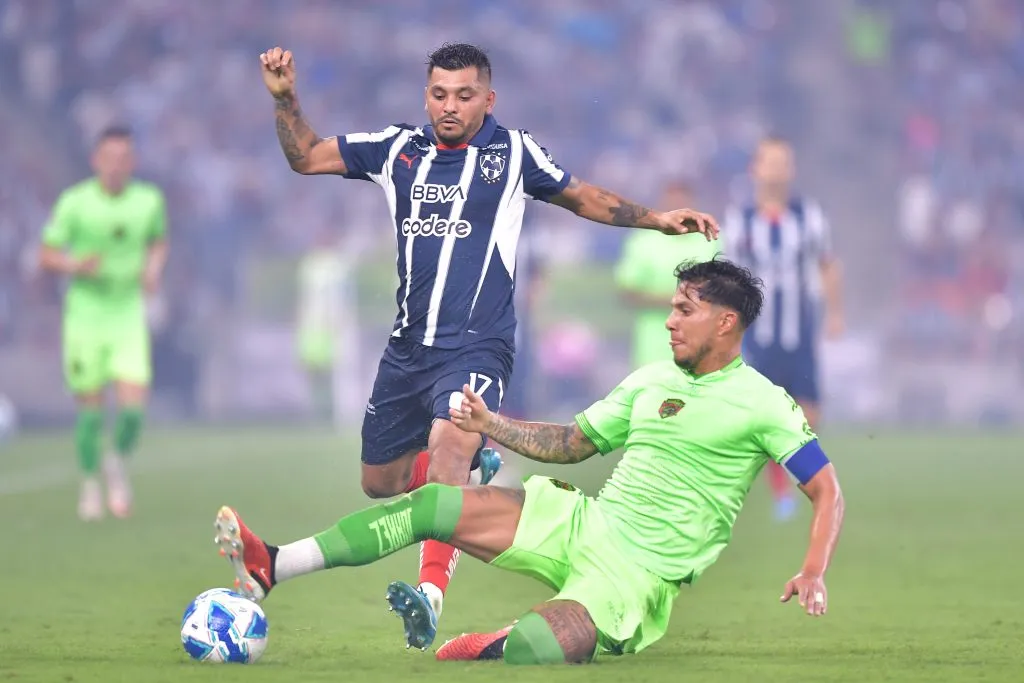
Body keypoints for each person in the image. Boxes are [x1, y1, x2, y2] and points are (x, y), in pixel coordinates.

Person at [257, 40, 718, 648]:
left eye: (465, 95)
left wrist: (655, 219)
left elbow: (581, 195)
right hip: (407, 349)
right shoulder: (398, 149)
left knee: (449, 446)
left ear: (488, 98)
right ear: (427, 96)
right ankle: (482, 467)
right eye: (440, 94)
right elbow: (307, 157)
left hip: (477, 345)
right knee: (381, 482)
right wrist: (287, 98)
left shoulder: (511, 152)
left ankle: (429, 595)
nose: (450, 106)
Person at [212, 258, 844, 664]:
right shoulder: (651, 378)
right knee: (433, 502)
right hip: (584, 524)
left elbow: (826, 491)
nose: (671, 319)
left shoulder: (766, 403)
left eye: (685, 309)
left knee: (537, 649)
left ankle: (499, 641)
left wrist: (812, 570)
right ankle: (274, 563)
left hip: (635, 578)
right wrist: (493, 427)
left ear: (726, 322)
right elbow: (573, 443)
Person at [39, 125, 168, 521]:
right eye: (109, 158)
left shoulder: (148, 201)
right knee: (91, 411)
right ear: (96, 160)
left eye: (123, 158)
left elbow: (158, 241)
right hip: (86, 315)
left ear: (133, 162)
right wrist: (76, 264)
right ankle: (91, 485)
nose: (116, 166)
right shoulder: (75, 203)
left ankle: (114, 460)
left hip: (127, 313)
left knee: (132, 412)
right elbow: (46, 255)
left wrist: (152, 270)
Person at [722, 137, 845, 521]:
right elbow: (729, 276)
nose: (776, 169)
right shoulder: (739, 220)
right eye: (769, 161)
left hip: (800, 330)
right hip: (758, 333)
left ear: (791, 169)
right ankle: (783, 494)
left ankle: (801, 482)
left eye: (783, 162)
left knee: (810, 413)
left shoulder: (808, 216)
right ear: (755, 169)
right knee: (765, 413)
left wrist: (835, 312)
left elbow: (827, 264)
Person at [615, 180, 721, 368]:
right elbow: (628, 293)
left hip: (702, 348)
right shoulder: (643, 241)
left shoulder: (711, 240)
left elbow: (725, 291)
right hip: (653, 350)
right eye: (672, 202)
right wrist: (679, 302)